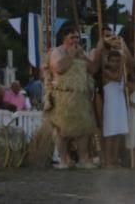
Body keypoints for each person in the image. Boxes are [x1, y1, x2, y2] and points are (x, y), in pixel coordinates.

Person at [45, 26, 98, 169]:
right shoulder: (57, 51)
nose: (75, 40)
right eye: (72, 37)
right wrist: (70, 54)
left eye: (77, 38)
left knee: (83, 129)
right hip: (63, 95)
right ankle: (63, 160)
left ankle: (83, 159)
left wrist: (83, 56)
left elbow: (93, 69)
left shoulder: (80, 52)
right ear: (64, 38)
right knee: (62, 130)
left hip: (80, 96)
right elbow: (59, 68)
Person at [101, 48, 131, 168]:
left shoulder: (122, 71)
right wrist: (123, 62)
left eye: (117, 61)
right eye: (112, 61)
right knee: (110, 134)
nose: (115, 63)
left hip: (120, 105)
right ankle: (108, 160)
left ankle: (114, 159)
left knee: (118, 134)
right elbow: (117, 78)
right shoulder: (106, 72)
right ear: (108, 61)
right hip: (111, 107)